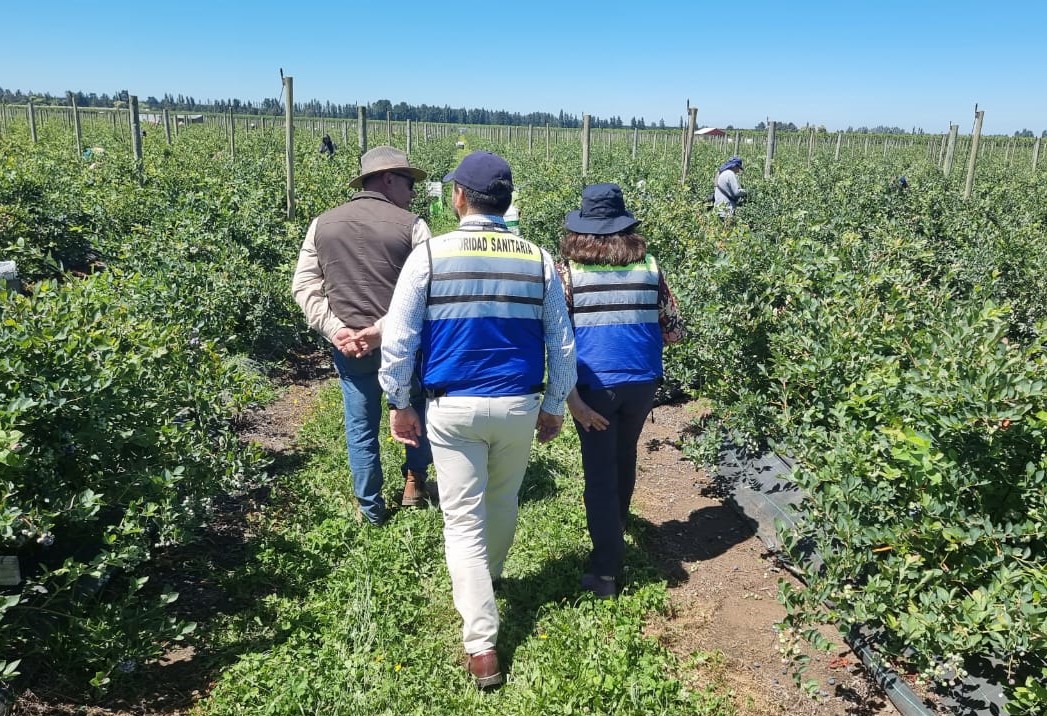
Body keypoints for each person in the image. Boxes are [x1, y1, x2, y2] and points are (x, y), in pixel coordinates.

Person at [379, 151, 576, 689]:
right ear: (507, 200)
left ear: (460, 198)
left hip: (453, 405)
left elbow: (400, 337)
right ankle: (485, 581)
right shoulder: (537, 260)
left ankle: (482, 642)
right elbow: (561, 341)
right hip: (518, 404)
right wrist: (556, 403)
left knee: (462, 518)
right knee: (502, 500)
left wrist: (399, 400)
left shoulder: (431, 255)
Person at [292, 146, 433, 526]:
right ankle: (414, 483)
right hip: (404, 345)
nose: (413, 192)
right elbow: (425, 291)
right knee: (414, 407)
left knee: (360, 425)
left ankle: (370, 509)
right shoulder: (413, 226)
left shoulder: (322, 224)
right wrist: (381, 331)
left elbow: (304, 285)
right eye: (408, 182)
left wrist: (338, 330)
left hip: (348, 348)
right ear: (387, 179)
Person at [558, 183, 685, 599]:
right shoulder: (649, 267)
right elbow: (674, 331)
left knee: (598, 473)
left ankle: (606, 571)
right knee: (624, 455)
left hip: (595, 384)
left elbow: (557, 333)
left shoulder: (568, 272)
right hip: (642, 381)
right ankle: (618, 523)